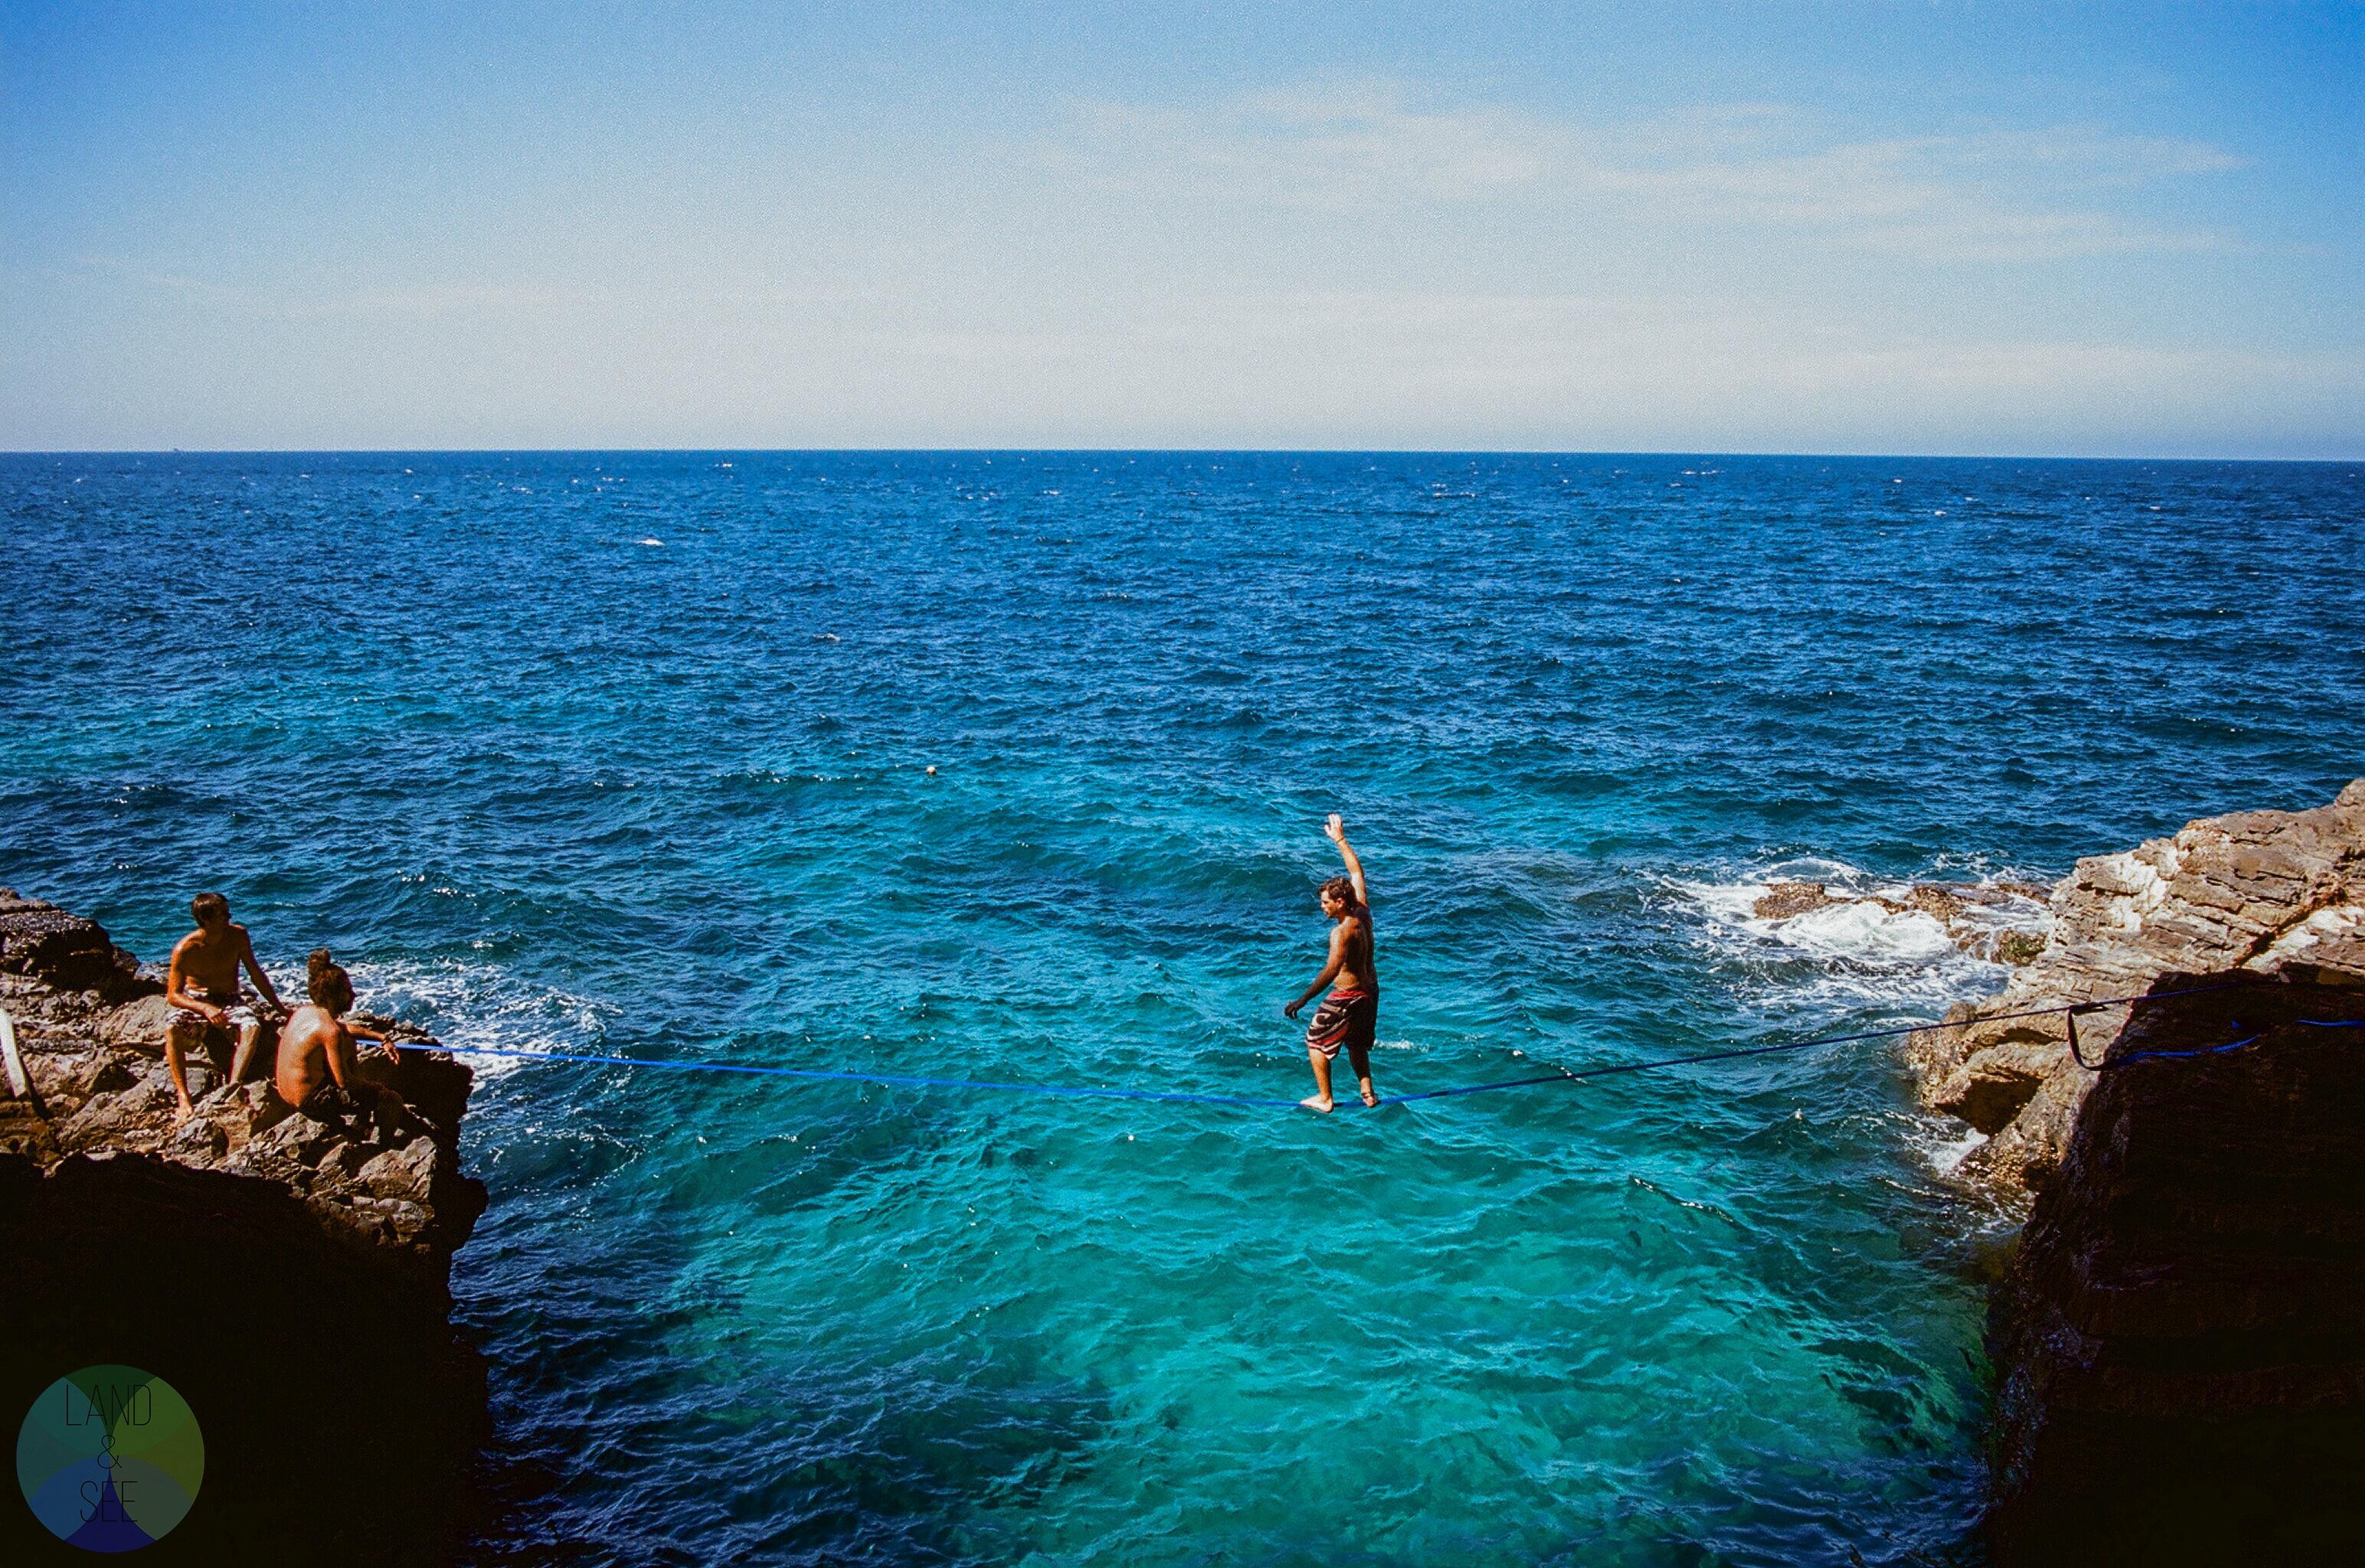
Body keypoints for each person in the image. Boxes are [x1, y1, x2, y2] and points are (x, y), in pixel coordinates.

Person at [163, 891, 289, 1120]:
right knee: (172, 1029)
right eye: (223, 913)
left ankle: (233, 1085)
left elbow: (256, 975)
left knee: (252, 1027)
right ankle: (183, 1096)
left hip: (229, 999)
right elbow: (173, 995)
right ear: (207, 920)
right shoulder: (186, 949)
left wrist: (279, 1008)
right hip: (198, 1002)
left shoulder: (238, 936)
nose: (229, 916)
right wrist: (205, 1009)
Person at [1284, 814, 1379, 1112]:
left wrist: (1303, 999)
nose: (1322, 907)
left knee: (1314, 1042)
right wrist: (1339, 839)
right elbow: (1357, 873)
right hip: (1370, 992)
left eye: (1326, 902)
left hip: (1347, 995)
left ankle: (1325, 1099)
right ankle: (1368, 1093)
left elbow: (1331, 971)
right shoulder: (1362, 912)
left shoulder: (1341, 933)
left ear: (1340, 902)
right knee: (1357, 1043)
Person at [273, 949, 408, 1135]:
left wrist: (380, 1038)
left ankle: (360, 1124)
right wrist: (375, 1088)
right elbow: (344, 1083)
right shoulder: (330, 1031)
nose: (353, 995)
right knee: (391, 1099)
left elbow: (342, 1027)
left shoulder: (304, 1013)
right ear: (333, 995)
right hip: (311, 1102)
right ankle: (383, 1144)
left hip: (286, 1094)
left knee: (348, 1044)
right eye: (347, 991)